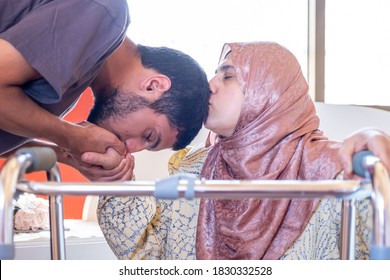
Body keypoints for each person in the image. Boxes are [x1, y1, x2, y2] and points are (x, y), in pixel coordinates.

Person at [98, 41, 390, 260]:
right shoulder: (195, 168)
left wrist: (377, 141)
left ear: (268, 90)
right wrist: (116, 178)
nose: (210, 86)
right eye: (215, 74)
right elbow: (147, 252)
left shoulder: (339, 169)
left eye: (228, 76)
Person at [0, 0, 210, 181]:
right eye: (148, 136)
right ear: (153, 85)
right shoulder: (102, 11)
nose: (130, 148)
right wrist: (70, 137)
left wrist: (68, 155)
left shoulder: (81, 72)